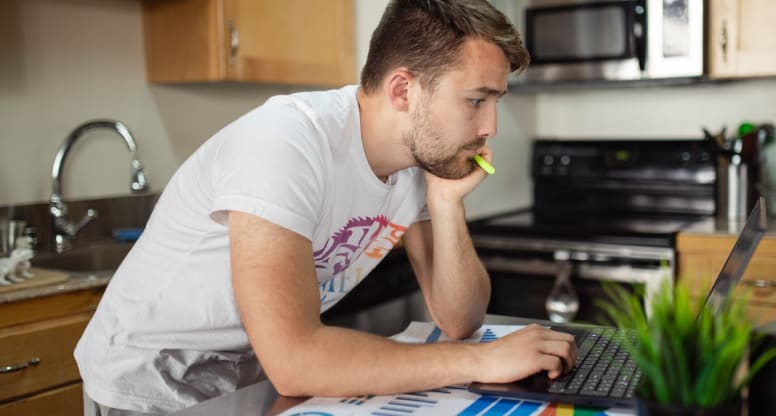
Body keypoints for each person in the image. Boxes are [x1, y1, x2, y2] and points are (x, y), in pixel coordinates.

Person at [76, 0, 577, 414]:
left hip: (250, 380)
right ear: (403, 89)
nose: (490, 126)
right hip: (148, 385)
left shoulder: (416, 162)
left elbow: (459, 319)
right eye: (476, 100)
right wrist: (481, 362)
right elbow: (296, 358)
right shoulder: (283, 144)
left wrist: (445, 204)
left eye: (496, 102)